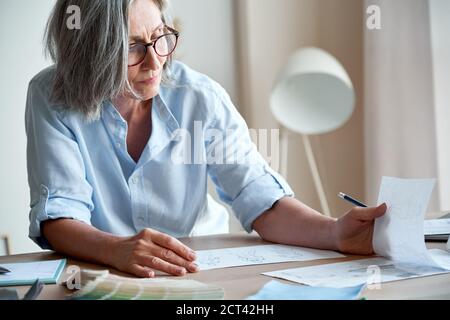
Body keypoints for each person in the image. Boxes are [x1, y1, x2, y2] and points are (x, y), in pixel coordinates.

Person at [26, 0, 387, 278]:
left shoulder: (199, 95)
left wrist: (336, 233)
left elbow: (258, 197)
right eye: (132, 47)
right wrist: (116, 249)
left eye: (159, 38)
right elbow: (60, 214)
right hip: (99, 275)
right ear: (91, 53)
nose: (155, 62)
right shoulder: (52, 97)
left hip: (198, 273)